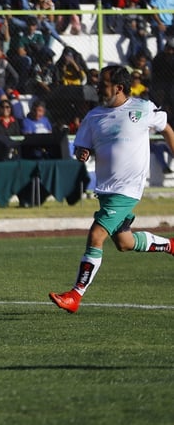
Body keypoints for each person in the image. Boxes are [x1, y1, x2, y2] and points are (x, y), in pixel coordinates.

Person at [49, 65, 174, 314]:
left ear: (118, 87)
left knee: (96, 235)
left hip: (127, 189)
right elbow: (81, 147)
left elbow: (167, 129)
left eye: (102, 83)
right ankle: (170, 246)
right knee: (125, 242)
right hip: (106, 190)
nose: (97, 87)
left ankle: (75, 295)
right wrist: (82, 152)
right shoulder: (93, 116)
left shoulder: (142, 108)